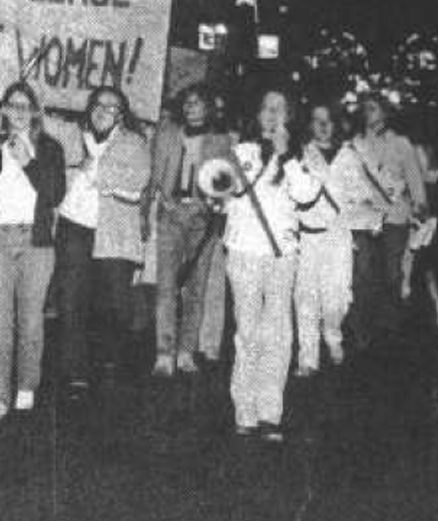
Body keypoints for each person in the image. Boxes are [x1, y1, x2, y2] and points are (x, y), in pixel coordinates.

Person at [0, 82, 66, 420]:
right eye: (13, 105)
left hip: (34, 244)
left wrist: (29, 164)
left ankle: (26, 385)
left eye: (26, 106)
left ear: (35, 111)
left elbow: (54, 196)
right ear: (3, 110)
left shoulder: (50, 149)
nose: (19, 112)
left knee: (31, 321)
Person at [222, 88, 319, 442]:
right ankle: (244, 410)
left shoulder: (301, 156)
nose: (272, 114)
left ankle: (270, 411)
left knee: (277, 332)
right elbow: (221, 191)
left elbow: (307, 195)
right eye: (266, 108)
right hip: (244, 251)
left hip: (281, 254)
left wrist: (287, 157)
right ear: (257, 114)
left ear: (290, 116)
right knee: (246, 331)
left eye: (279, 109)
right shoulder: (239, 151)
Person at [52, 87, 150, 390]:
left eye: (111, 107)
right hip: (73, 226)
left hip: (112, 233)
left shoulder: (134, 142)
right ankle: (75, 369)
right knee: (71, 300)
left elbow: (137, 183)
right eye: (98, 104)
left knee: (112, 305)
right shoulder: (73, 135)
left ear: (122, 114)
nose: (102, 111)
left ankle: (108, 362)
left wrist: (96, 171)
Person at [145, 85, 236, 376]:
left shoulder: (221, 141)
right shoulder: (167, 134)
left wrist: (209, 206)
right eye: (187, 103)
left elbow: (226, 185)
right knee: (166, 286)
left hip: (202, 219)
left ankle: (186, 351)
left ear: (208, 107)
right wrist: (154, 208)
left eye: (197, 102)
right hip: (170, 214)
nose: (190, 107)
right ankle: (164, 352)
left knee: (196, 288)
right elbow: (154, 177)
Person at [347, 92, 428, 353]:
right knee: (362, 274)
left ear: (385, 113)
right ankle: (362, 330)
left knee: (392, 274)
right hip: (364, 218)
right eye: (365, 108)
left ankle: (389, 327)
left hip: (395, 217)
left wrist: (420, 205)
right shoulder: (355, 144)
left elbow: (415, 179)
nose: (367, 112)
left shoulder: (402, 144)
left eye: (373, 108)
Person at [294, 101, 369, 377]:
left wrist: (359, 221)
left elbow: (361, 194)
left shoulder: (349, 156)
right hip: (307, 237)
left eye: (328, 120)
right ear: (309, 124)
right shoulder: (300, 155)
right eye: (317, 120)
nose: (323, 126)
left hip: (338, 237)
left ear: (336, 124)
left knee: (336, 297)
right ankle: (308, 357)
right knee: (305, 296)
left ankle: (333, 334)